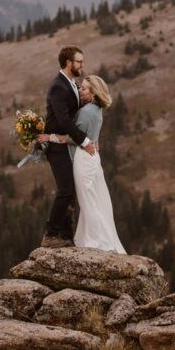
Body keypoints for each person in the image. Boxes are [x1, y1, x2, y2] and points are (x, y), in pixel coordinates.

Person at [39, 46, 96, 248]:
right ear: (68, 63)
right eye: (79, 61)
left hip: (67, 146)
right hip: (57, 147)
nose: (82, 64)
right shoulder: (58, 86)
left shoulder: (71, 83)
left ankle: (65, 235)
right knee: (65, 190)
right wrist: (85, 140)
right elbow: (63, 120)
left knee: (70, 191)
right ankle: (50, 233)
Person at [69, 75, 125, 253]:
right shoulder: (96, 110)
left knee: (88, 200)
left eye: (84, 88)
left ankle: (99, 240)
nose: (80, 90)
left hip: (84, 159)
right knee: (94, 199)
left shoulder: (86, 112)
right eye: (81, 87)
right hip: (92, 158)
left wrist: (49, 137)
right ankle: (93, 237)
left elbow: (74, 138)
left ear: (93, 94)